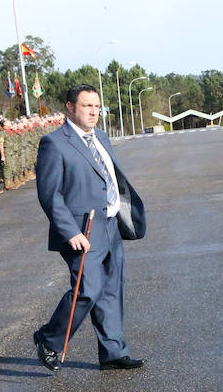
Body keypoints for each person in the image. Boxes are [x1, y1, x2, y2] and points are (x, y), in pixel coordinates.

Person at [33, 84, 146, 372]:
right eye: (87, 106)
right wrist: (70, 231)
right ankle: (49, 338)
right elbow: (50, 194)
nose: (94, 111)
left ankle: (112, 352)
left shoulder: (102, 138)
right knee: (87, 288)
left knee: (111, 289)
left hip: (109, 225)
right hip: (82, 230)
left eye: (97, 106)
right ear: (70, 107)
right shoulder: (55, 143)